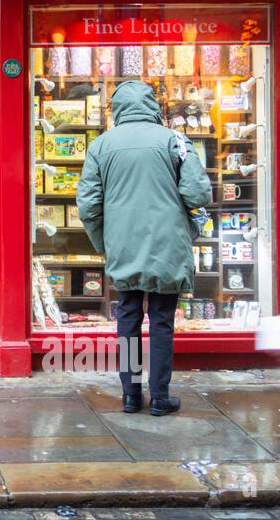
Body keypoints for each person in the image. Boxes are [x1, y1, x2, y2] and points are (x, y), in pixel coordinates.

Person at [77, 80, 212, 416]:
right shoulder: (174, 140)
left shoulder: (101, 146)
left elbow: (88, 205)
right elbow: (198, 194)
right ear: (153, 106)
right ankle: (161, 397)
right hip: (168, 244)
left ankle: (130, 396)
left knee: (128, 317)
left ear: (117, 108)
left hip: (122, 244)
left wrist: (104, 243)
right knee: (163, 320)